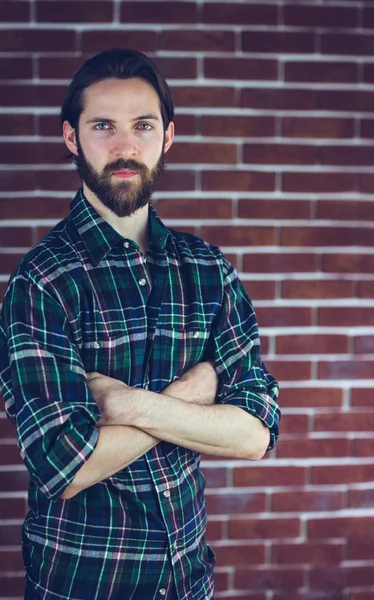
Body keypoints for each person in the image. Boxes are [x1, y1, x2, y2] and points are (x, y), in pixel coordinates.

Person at [0, 48, 280, 600]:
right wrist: (194, 396)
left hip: (188, 581)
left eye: (143, 125)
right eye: (103, 125)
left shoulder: (208, 270)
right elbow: (63, 467)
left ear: (167, 137)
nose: (125, 147)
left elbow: (255, 434)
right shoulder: (42, 282)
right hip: (83, 582)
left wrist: (131, 404)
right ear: (71, 138)